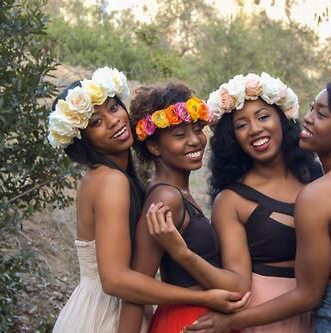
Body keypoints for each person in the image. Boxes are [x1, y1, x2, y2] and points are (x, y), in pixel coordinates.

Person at [148, 72, 331, 332]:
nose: (254, 129)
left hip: (325, 312)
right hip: (268, 314)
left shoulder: (318, 182)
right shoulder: (232, 200)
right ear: (232, 138)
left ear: (281, 119)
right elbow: (238, 282)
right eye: (241, 125)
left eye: (264, 116)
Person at [48, 68, 248, 333]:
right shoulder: (111, 181)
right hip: (105, 313)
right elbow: (117, 281)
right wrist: (203, 297)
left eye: (114, 107)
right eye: (96, 122)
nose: (114, 121)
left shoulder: (122, 179)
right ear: (82, 139)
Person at [117, 83, 250, 333]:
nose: (195, 141)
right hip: (185, 322)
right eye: (180, 135)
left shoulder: (179, 193)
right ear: (154, 147)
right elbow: (137, 289)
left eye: (198, 130)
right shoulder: (166, 198)